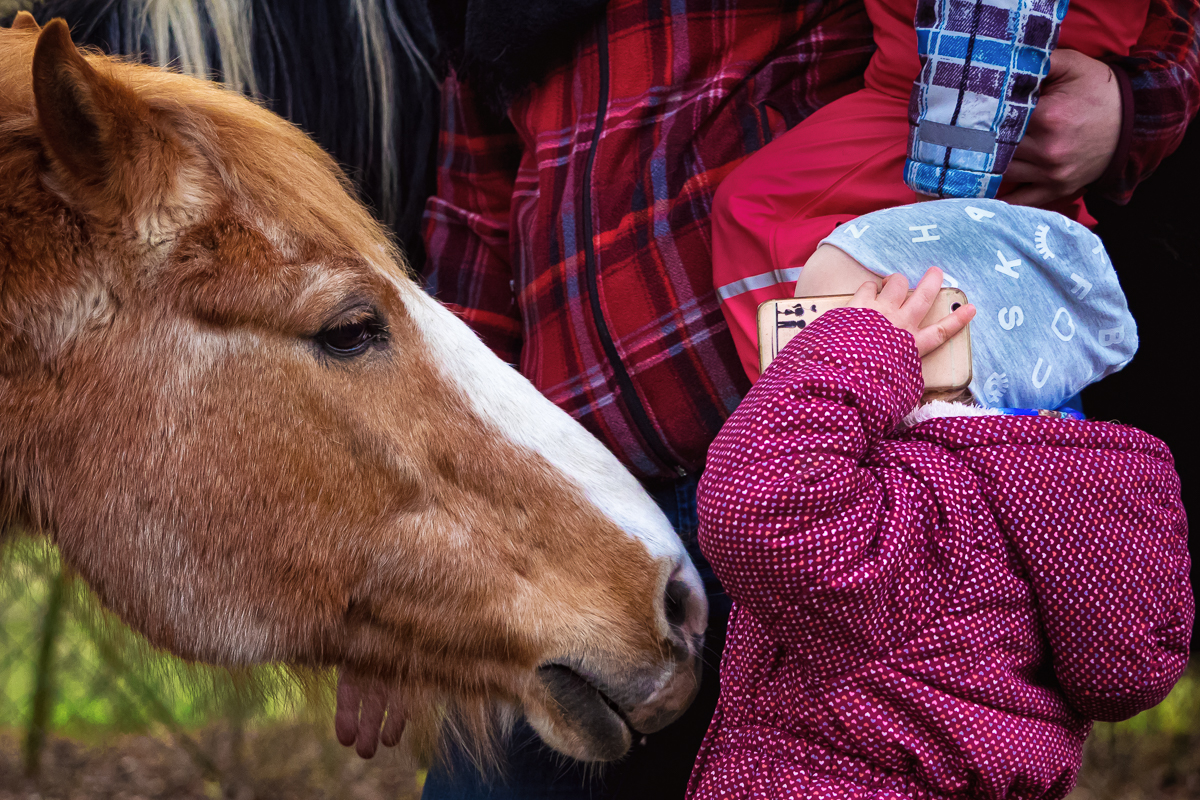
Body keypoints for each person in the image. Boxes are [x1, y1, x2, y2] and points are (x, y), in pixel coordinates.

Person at [339, 0, 1200, 797]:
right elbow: (472, 247)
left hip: (844, 491)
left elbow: (1130, 28)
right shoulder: (483, 20)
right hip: (573, 514)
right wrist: (404, 542)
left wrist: (1135, 104)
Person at [688, 198, 1192, 799]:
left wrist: (857, 353)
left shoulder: (930, 496)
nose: (806, 343)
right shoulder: (1044, 504)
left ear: (959, 342)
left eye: (840, 318)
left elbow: (757, 511)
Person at [712, 0, 1200, 382]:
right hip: (962, 105)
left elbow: (990, 38)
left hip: (950, 113)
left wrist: (952, 175)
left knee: (758, 210)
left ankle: (826, 433)